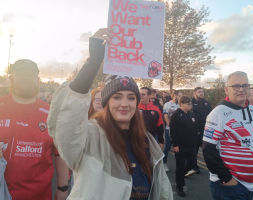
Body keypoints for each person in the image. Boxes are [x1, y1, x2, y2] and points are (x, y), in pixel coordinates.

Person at [47, 28, 173, 200]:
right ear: (106, 103)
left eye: (130, 98)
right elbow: (66, 124)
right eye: (117, 97)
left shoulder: (146, 140)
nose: (124, 104)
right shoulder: (90, 136)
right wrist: (93, 62)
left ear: (137, 103)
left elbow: (162, 190)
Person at [0, 59, 69, 200]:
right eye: (20, 73)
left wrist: (62, 188)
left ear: (38, 79)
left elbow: (60, 153)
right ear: (11, 77)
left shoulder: (52, 113)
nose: (26, 77)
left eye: (31, 74)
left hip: (38, 195)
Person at [202, 71, 253, 200]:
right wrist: (227, 179)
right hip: (231, 185)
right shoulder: (218, 113)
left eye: (245, 86)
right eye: (236, 86)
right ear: (226, 90)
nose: (241, 89)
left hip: (251, 184)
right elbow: (208, 149)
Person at [170, 96, 199, 197]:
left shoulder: (191, 114)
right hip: (181, 145)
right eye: (188, 104)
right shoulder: (176, 115)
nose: (190, 106)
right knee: (180, 166)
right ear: (181, 104)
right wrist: (175, 144)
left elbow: (195, 127)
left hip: (191, 144)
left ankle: (181, 175)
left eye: (190, 104)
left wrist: (196, 138)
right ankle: (180, 186)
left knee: (192, 163)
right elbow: (172, 130)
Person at [191, 86, 212, 174]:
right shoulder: (191, 102)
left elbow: (211, 114)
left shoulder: (206, 103)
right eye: (199, 92)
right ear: (195, 94)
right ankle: (194, 166)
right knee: (194, 149)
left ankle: (211, 166)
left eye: (202, 92)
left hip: (206, 129)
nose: (201, 93)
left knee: (207, 148)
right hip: (196, 130)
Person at [162, 90, 181, 172]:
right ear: (175, 95)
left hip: (180, 131)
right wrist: (172, 128)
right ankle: (164, 163)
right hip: (169, 129)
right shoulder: (167, 104)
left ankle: (182, 165)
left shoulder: (180, 105)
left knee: (180, 147)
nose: (180, 98)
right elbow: (166, 118)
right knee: (168, 147)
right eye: (179, 96)